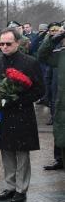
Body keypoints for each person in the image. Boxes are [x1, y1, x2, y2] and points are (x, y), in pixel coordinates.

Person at [0, 28, 44, 202]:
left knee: (21, 152)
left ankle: (21, 188)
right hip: (2, 115)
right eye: (1, 43)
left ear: (17, 43)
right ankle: (10, 186)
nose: (4, 46)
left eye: (8, 43)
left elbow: (39, 90)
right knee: (6, 150)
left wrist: (17, 99)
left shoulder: (30, 62)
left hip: (22, 113)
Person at [38, 24, 65, 171]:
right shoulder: (60, 54)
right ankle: (59, 159)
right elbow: (42, 54)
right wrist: (55, 38)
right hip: (61, 104)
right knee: (60, 134)